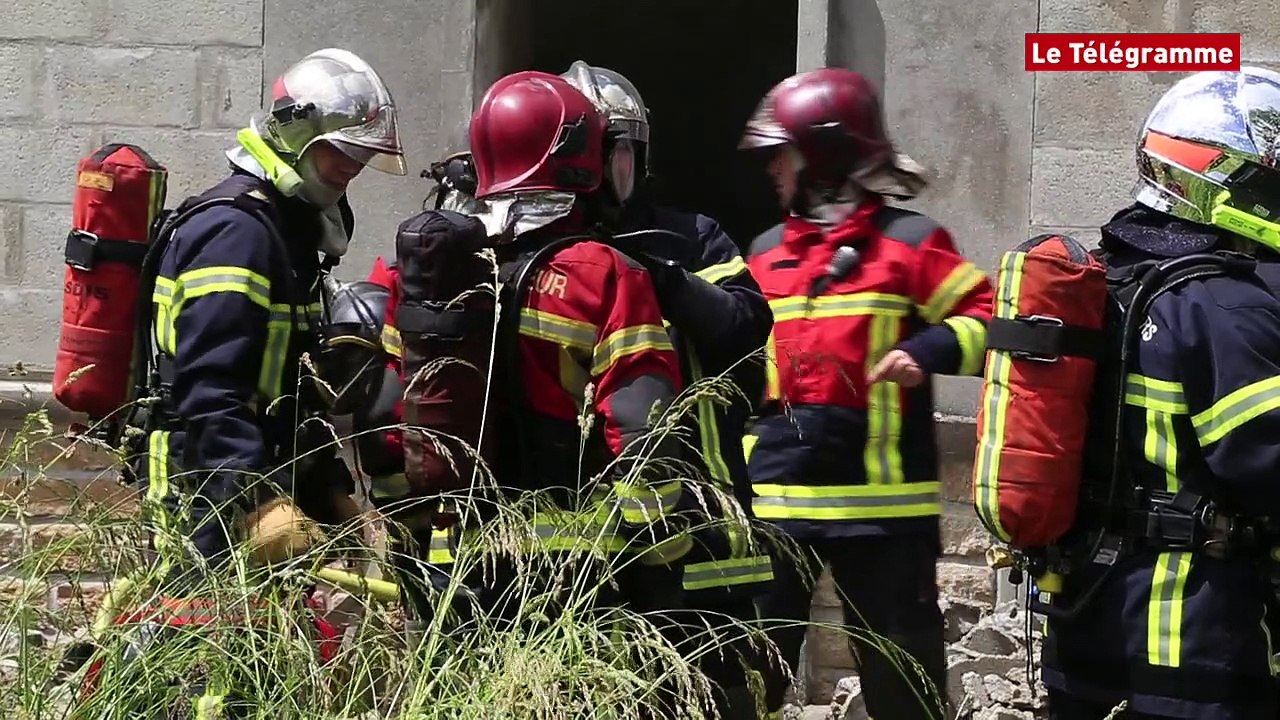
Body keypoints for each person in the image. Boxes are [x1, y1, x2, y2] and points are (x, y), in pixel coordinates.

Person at [739, 67, 994, 719]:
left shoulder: (911, 243)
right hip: (775, 510)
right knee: (747, 679)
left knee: (902, 686)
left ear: (823, 155)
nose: (772, 168)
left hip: (885, 518)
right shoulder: (764, 254)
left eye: (783, 153)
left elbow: (991, 320)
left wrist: (927, 350)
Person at [1039, 66, 1280, 720]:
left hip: (1083, 628)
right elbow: (1266, 462)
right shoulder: (1225, 306)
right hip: (1188, 642)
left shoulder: (1102, 282)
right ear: (1226, 179)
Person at [135, 46, 406, 585]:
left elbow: (295, 389)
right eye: (343, 150)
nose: (353, 166)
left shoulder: (286, 234)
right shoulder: (236, 234)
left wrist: (328, 488)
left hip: (268, 478)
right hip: (205, 488)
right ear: (298, 134)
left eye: (361, 154)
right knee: (199, 625)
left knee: (270, 632)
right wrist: (255, 499)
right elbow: (208, 390)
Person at [560, 59, 778, 716]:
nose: (608, 173)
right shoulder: (541, 253)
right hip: (582, 523)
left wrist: (661, 278)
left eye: (620, 153)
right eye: (595, 155)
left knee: (720, 686)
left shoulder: (689, 238)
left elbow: (746, 325)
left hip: (701, 511)